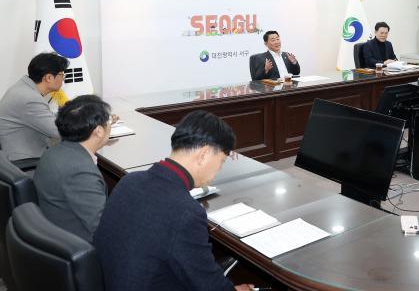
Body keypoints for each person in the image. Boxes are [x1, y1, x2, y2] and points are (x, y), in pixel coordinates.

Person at [94, 111, 253, 291]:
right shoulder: (186, 212)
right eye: (221, 161)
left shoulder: (129, 181)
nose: (218, 170)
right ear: (204, 154)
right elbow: (208, 285)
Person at [34, 95, 111, 242]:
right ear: (99, 131)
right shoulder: (80, 172)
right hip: (79, 244)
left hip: (56, 229)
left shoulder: (55, 151)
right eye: (109, 121)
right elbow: (103, 228)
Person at [0, 52, 69, 162]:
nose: (63, 78)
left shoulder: (23, 88)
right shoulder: (30, 99)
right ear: (49, 78)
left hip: (18, 155)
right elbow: (62, 131)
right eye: (62, 74)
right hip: (26, 163)